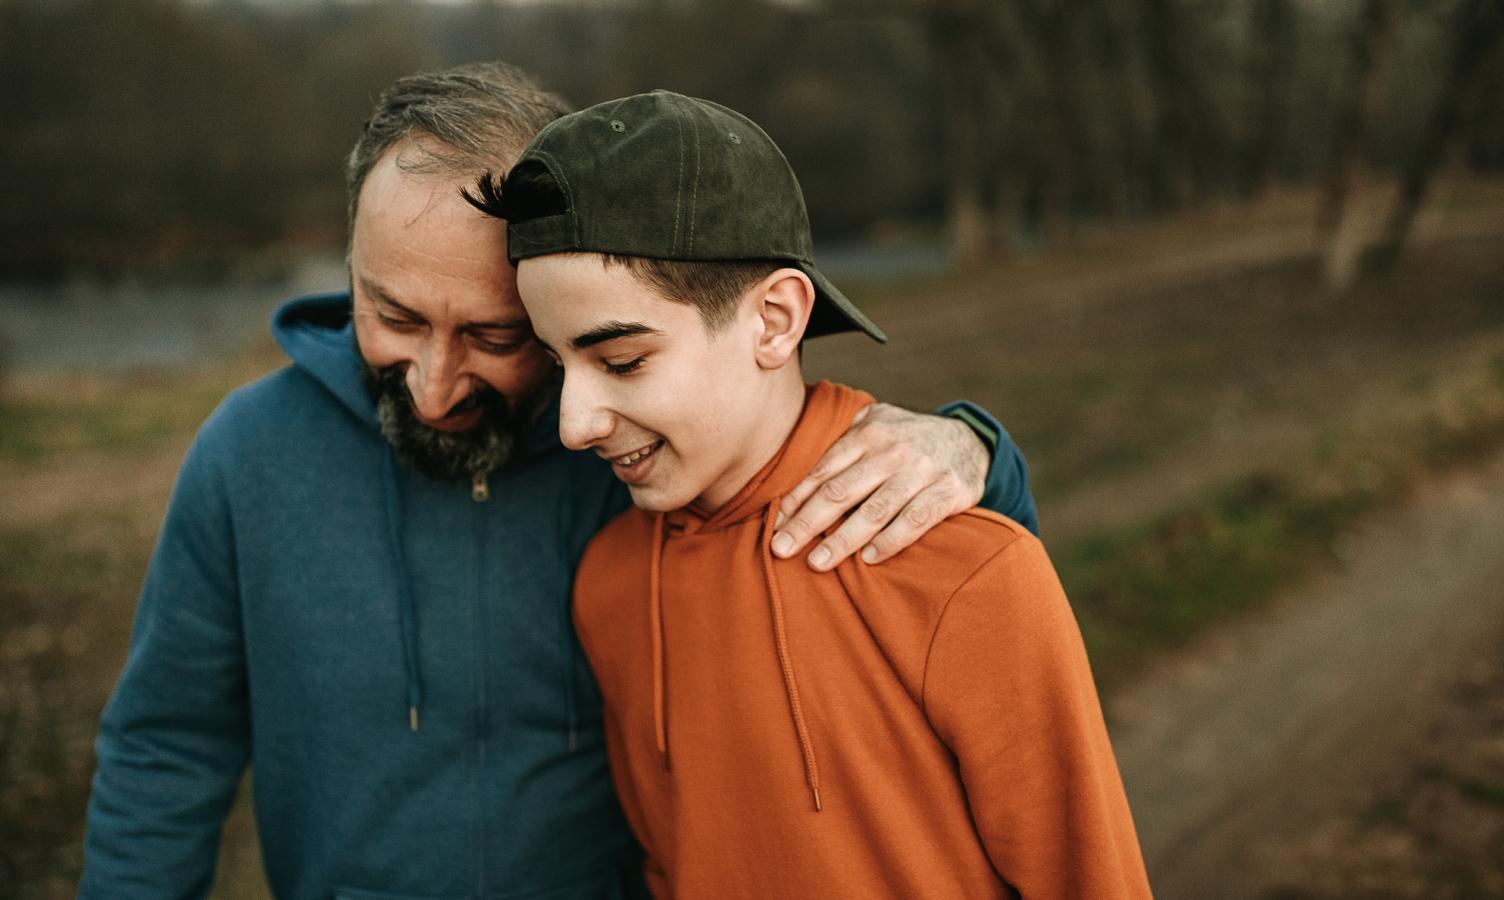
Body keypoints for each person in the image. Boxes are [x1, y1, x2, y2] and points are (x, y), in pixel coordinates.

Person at [78, 65, 1038, 898]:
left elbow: (877, 536)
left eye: (494, 336)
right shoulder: (247, 456)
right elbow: (166, 749)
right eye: (394, 315)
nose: (436, 384)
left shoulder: (639, 459)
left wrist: (977, 452)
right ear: (352, 267)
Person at [470, 90, 1149, 898]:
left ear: (774, 320)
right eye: (556, 365)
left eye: (620, 361)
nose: (576, 423)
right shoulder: (608, 585)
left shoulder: (965, 571)